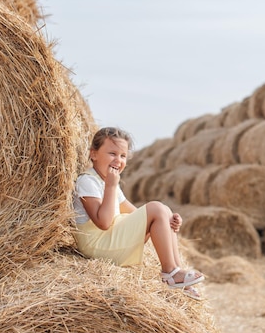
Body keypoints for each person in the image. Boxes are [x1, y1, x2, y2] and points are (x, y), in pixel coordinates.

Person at [73, 127, 204, 300]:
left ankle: (177, 275)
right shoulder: (87, 181)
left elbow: (136, 213)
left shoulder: (108, 181)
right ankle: (169, 273)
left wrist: (166, 220)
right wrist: (111, 186)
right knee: (157, 208)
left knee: (164, 210)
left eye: (123, 156)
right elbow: (103, 222)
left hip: (111, 239)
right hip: (97, 245)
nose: (118, 160)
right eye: (112, 153)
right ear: (94, 154)